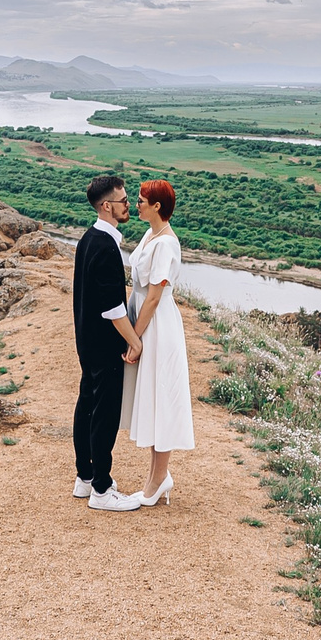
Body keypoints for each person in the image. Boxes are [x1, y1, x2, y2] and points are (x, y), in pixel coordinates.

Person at [71, 172, 144, 511]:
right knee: (104, 414)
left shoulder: (88, 239)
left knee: (87, 405)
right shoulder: (105, 246)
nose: (129, 205)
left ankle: (84, 478)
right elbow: (113, 308)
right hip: (104, 342)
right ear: (106, 206)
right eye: (124, 201)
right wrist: (134, 341)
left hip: (86, 340)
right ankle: (102, 489)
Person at [120, 178, 194, 505]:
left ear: (157, 206)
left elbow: (153, 297)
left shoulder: (166, 244)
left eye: (140, 200)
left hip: (157, 325)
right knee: (151, 397)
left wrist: (134, 335)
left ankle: (159, 479)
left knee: (161, 397)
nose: (135, 204)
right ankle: (155, 478)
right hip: (146, 319)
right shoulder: (152, 233)